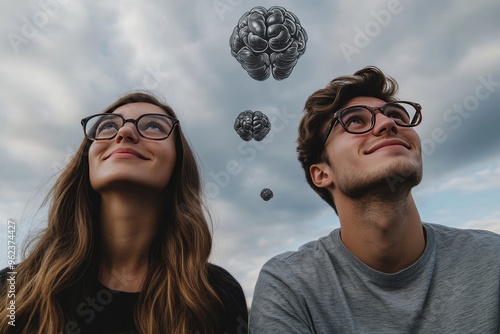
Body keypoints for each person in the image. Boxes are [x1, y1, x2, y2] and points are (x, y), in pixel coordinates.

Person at [249, 66, 500, 333]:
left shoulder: (491, 260)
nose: (387, 123)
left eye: (397, 116)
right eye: (355, 121)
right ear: (322, 173)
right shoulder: (291, 284)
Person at [0, 92, 248, 334]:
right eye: (108, 126)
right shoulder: (13, 288)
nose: (125, 132)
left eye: (153, 126)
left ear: (178, 162)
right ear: (88, 157)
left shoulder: (217, 295)